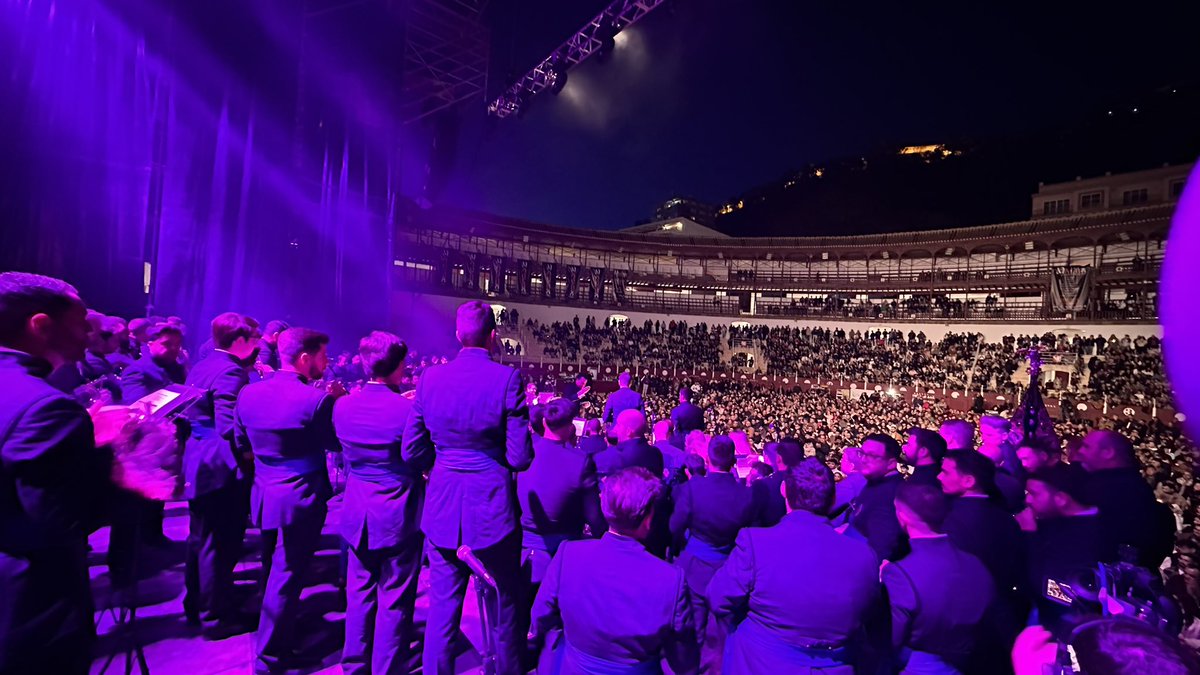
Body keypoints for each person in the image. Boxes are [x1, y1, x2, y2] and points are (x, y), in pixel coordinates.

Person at [402, 300, 533, 675]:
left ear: (458, 335)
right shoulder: (506, 379)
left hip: (443, 506)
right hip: (492, 509)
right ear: (493, 337)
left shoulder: (430, 379)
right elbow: (520, 456)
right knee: (506, 604)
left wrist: (442, 466)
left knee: (443, 610)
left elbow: (411, 450)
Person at [0, 272, 112, 675]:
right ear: (41, 326)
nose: (89, 333)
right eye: (81, 323)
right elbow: (62, 522)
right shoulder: (47, 407)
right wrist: (123, 465)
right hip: (28, 607)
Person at [708, 459, 880, 674]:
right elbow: (867, 617)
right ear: (833, 498)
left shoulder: (756, 543)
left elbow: (719, 598)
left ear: (784, 492)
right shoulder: (863, 555)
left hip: (760, 664)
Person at [235, 327, 341, 673]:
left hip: (264, 491)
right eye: (323, 356)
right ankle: (271, 656)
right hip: (301, 496)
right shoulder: (315, 399)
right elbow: (334, 444)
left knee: (274, 572)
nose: (326, 363)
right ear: (305, 359)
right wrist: (337, 402)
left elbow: (240, 442)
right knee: (288, 573)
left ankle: (276, 635)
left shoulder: (248, 393)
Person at [530, 467, 698, 674]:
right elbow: (684, 659)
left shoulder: (569, 554)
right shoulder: (671, 579)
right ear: (647, 520)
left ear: (605, 508)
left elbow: (540, 616)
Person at [333, 331, 428, 675]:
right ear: (399, 366)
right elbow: (418, 456)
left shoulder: (343, 405)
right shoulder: (406, 411)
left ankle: (354, 663)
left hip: (357, 508)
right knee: (395, 595)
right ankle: (386, 667)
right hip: (397, 511)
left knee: (358, 591)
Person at [181, 312, 259, 636]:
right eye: (254, 340)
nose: (257, 346)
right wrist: (252, 456)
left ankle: (197, 603)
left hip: (198, 458)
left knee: (200, 538)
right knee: (221, 541)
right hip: (220, 465)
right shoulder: (230, 371)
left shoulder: (202, 365)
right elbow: (230, 428)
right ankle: (216, 614)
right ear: (239, 341)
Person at [516, 397, 605, 651]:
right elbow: (593, 516)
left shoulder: (524, 453)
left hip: (521, 554)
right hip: (561, 558)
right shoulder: (579, 461)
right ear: (570, 428)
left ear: (544, 422)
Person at [669, 435, 759, 673]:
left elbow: (676, 526)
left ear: (708, 459)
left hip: (695, 566)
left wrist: (675, 550)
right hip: (729, 569)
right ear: (733, 461)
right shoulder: (747, 495)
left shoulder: (693, 487)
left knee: (694, 627)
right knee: (724, 629)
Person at [107, 322, 188, 584]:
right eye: (167, 344)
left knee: (157, 495)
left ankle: (154, 538)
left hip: (164, 440)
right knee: (133, 505)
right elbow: (136, 406)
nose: (173, 349)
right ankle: (124, 562)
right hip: (141, 446)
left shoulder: (175, 367)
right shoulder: (137, 370)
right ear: (149, 343)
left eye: (176, 344)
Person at [884, 483, 994, 674]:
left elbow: (891, 638)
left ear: (903, 517)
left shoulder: (900, 574)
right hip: (966, 661)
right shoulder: (976, 564)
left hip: (918, 664)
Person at [1022, 464, 1106, 637]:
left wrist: (1030, 535)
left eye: (1034, 494)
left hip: (1062, 625)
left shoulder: (1086, 537)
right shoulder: (1060, 519)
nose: (1028, 500)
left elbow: (1058, 591)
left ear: (1061, 499)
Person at [1075, 429, 1175, 569]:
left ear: (1108, 452)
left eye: (1086, 447)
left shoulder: (1123, 491)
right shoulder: (1110, 483)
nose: (1080, 452)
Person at [844, 433, 907, 563]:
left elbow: (880, 550)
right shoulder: (876, 481)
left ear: (891, 463)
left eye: (872, 456)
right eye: (862, 453)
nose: (863, 460)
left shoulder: (890, 495)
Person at [594, 409, 665, 478]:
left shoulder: (611, 457)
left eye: (618, 425)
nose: (615, 429)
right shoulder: (656, 454)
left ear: (629, 431)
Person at [751, 437, 804, 527]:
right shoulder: (808, 479)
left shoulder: (763, 484)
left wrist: (749, 482)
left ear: (779, 458)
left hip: (772, 532)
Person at [833, 446, 867, 516]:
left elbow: (834, 505)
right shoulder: (865, 477)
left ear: (852, 465)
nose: (840, 461)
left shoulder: (848, 484)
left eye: (843, 459)